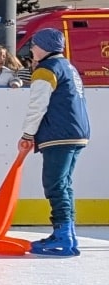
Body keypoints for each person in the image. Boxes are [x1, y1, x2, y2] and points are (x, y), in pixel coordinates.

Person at [19, 27, 91, 257]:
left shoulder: (46, 70)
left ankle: (63, 235)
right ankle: (67, 233)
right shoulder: (68, 67)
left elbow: (37, 105)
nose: (32, 49)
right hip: (77, 131)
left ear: (44, 47)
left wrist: (28, 134)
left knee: (54, 184)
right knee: (64, 184)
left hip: (59, 134)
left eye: (34, 45)